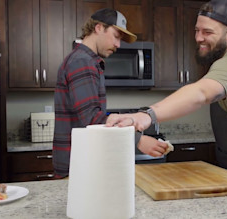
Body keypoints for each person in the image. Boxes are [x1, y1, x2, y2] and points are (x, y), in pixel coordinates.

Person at [106, 0, 227, 188]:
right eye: (197, 30)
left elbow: (201, 92)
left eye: (207, 32)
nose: (198, 38)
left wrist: (146, 116)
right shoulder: (225, 58)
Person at [53, 8, 169, 179]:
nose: (118, 45)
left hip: (81, 161)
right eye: (116, 36)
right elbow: (91, 118)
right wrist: (138, 140)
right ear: (98, 28)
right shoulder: (82, 62)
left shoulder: (86, 61)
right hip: (78, 165)